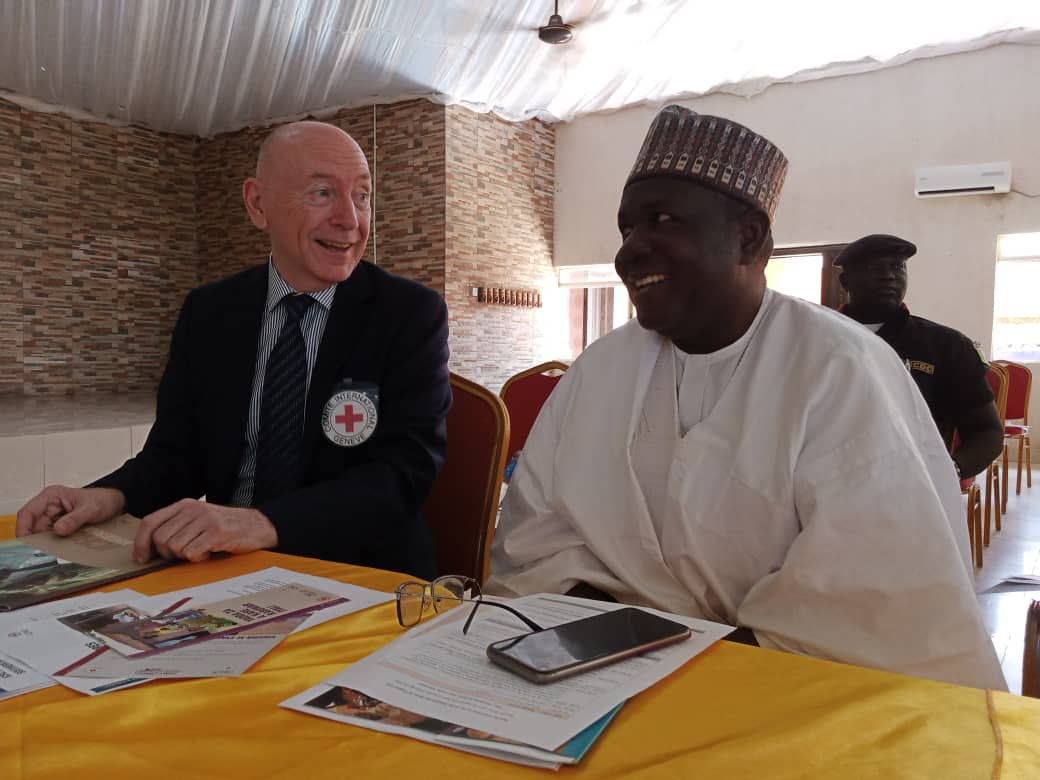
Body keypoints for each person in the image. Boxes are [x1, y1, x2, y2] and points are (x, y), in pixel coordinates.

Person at [487, 105, 1006, 690]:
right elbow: (539, 541)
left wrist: (686, 671)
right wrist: (614, 648)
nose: (630, 251)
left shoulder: (841, 367)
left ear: (748, 238)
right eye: (627, 229)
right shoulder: (600, 369)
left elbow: (871, 603)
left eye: (662, 220)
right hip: (599, 669)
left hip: (786, 688)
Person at [16, 121, 450, 578]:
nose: (350, 219)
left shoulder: (409, 314)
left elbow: (404, 473)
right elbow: (176, 455)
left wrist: (263, 524)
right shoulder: (210, 312)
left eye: (361, 196)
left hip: (360, 571)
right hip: (225, 570)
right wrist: (108, 496)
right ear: (258, 204)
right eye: (323, 193)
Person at [835, 234, 1003, 479]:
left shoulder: (946, 346)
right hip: (828, 486)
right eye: (873, 268)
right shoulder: (817, 341)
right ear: (845, 281)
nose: (888, 276)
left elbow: (987, 431)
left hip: (913, 486)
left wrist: (950, 472)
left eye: (898, 267)